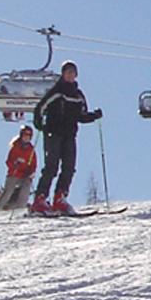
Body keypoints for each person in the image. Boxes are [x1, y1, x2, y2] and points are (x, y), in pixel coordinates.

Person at [30, 61, 102, 216]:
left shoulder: (78, 95)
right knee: (52, 166)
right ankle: (40, 199)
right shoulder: (56, 91)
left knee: (69, 167)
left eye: (72, 73)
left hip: (69, 134)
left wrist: (94, 116)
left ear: (76, 75)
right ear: (63, 74)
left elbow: (81, 116)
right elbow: (40, 108)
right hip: (54, 132)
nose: (70, 75)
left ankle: (60, 197)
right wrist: (39, 123)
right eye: (67, 72)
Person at [0, 125, 37, 213]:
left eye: (28, 136)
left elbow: (33, 163)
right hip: (14, 174)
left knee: (25, 191)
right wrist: (15, 164)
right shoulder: (16, 147)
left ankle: (19, 209)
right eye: (25, 135)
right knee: (7, 192)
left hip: (25, 175)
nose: (26, 138)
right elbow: (9, 161)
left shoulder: (31, 150)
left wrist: (31, 172)